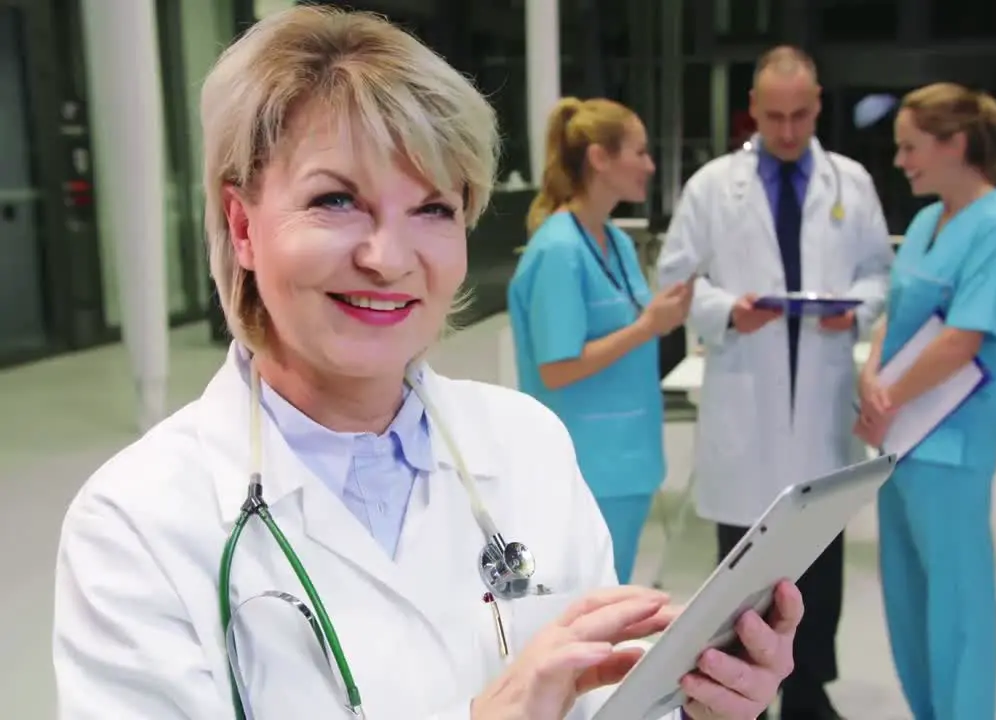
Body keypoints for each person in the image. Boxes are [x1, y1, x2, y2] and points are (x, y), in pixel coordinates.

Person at [50, 8, 802, 719]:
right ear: (243, 227)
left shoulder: (525, 445)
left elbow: (599, 701)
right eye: (336, 200)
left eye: (434, 209)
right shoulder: (136, 524)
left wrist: (695, 703)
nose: (389, 258)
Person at [657, 46, 894, 720]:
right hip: (746, 402)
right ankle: (740, 701)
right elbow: (675, 279)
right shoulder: (711, 186)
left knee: (819, 556)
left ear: (817, 106)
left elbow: (880, 272)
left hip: (819, 405)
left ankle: (811, 691)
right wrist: (729, 309)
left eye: (799, 116)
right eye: (774, 117)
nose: (787, 131)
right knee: (741, 572)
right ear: (753, 112)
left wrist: (856, 306)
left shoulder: (850, 183)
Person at [854, 83, 996, 720]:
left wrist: (889, 393)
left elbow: (964, 336)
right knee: (906, 598)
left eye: (910, 147)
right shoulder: (930, 221)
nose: (900, 161)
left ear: (956, 144)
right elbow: (894, 315)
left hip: (952, 446)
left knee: (957, 604)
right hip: (900, 438)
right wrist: (873, 378)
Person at [507, 98, 692, 585]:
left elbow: (631, 331)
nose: (650, 166)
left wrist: (663, 319)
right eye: (640, 152)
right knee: (583, 614)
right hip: (587, 468)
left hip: (627, 464)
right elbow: (557, 368)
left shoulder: (617, 242)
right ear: (599, 159)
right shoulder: (560, 251)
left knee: (610, 605)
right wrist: (647, 326)